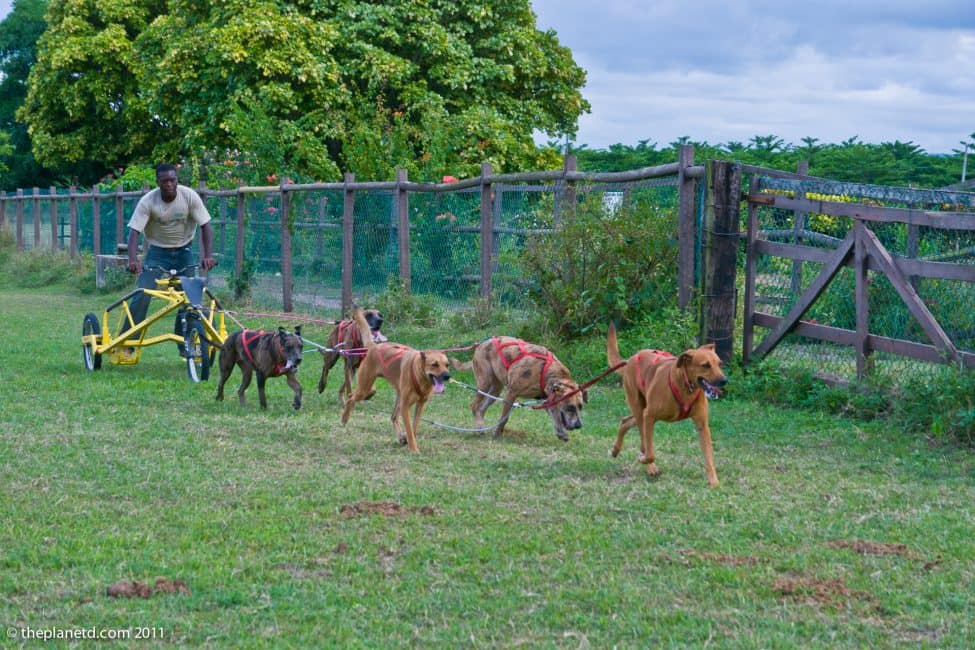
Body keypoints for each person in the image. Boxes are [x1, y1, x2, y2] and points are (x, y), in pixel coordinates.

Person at [125, 163, 217, 334]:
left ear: (177, 180)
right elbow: (134, 233)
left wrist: (208, 255)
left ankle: (186, 345)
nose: (169, 184)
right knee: (142, 293)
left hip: (184, 250)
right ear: (158, 182)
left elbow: (206, 226)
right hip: (157, 252)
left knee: (190, 299)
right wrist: (133, 260)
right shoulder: (148, 201)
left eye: (172, 180)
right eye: (165, 181)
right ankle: (127, 342)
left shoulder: (189, 196)